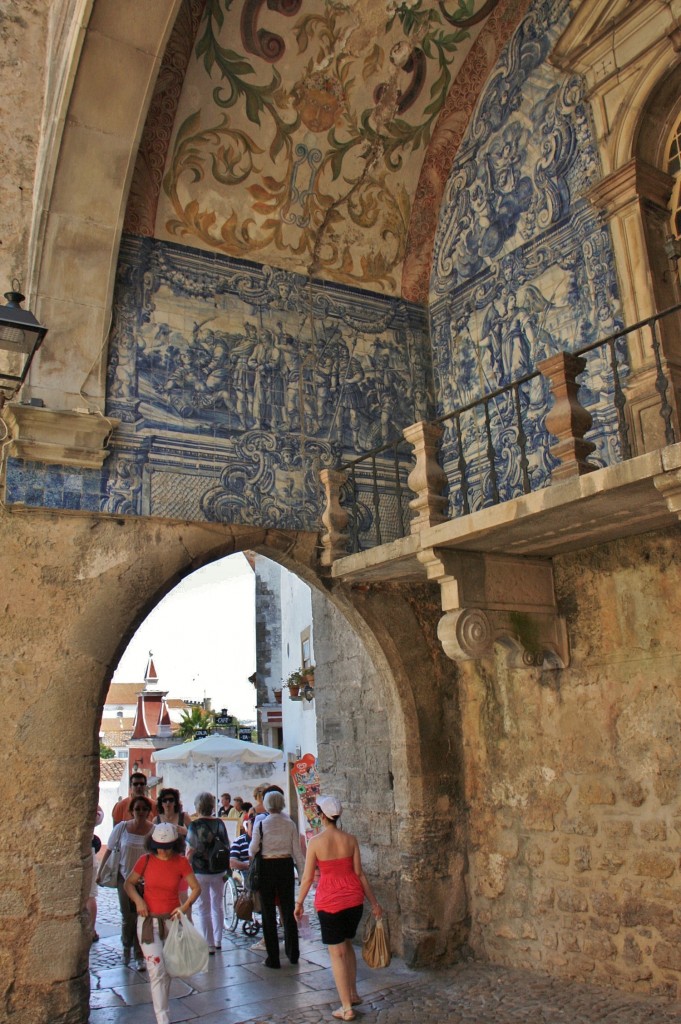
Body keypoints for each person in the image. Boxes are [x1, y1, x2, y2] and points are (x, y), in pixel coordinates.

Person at [294, 795, 382, 1022]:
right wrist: (373, 902)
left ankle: (345, 1007)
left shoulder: (315, 842)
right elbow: (359, 874)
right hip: (353, 900)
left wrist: (299, 902)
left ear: (322, 816)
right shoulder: (351, 839)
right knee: (347, 945)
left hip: (330, 901)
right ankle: (353, 994)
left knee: (336, 953)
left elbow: (306, 878)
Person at [124, 823, 201, 1024]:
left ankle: (162, 1010)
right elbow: (129, 884)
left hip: (172, 922)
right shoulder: (145, 861)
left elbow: (196, 888)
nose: (163, 850)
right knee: (156, 969)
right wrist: (139, 901)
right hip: (149, 922)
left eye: (166, 846)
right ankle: (163, 1019)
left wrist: (183, 908)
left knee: (166, 970)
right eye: (159, 846)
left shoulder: (181, 862)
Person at [249, 789, 304, 968]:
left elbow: (252, 849)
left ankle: (273, 957)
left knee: (268, 912)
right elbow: (297, 852)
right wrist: (302, 874)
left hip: (267, 867)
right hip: (286, 866)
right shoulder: (290, 824)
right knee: (288, 909)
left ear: (266, 804)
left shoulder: (261, 824)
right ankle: (293, 952)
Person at [98, 794, 155, 969]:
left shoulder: (153, 830)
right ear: (131, 811)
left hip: (145, 880)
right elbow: (109, 850)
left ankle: (139, 954)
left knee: (142, 917)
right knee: (127, 916)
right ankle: (126, 947)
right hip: (125, 878)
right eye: (137, 809)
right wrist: (101, 872)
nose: (141, 812)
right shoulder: (122, 828)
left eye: (144, 809)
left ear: (148, 812)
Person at [186, 792, 229, 953]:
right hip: (218, 869)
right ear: (212, 806)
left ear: (198, 807)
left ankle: (209, 943)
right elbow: (227, 845)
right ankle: (218, 940)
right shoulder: (219, 823)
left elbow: (190, 850)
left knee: (203, 907)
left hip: (200, 870)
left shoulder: (194, 825)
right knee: (217, 905)